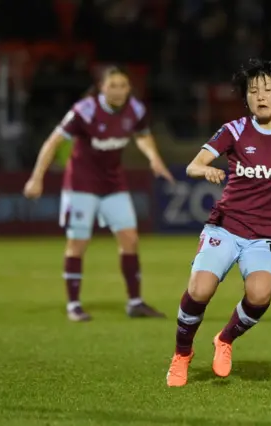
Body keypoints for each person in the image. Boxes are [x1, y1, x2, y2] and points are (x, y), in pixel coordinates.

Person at [166, 58, 271, 387]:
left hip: (267, 235)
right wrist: (207, 169)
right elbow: (192, 166)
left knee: (260, 294)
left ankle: (225, 339)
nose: (260, 96)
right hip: (226, 226)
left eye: (268, 89)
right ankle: (182, 354)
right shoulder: (234, 130)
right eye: (253, 90)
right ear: (246, 98)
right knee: (200, 289)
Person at [23, 66, 175, 322]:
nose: (118, 91)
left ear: (129, 88)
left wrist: (154, 159)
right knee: (78, 243)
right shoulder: (85, 110)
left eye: (123, 86)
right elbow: (53, 142)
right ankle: (74, 305)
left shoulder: (135, 109)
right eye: (112, 86)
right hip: (82, 185)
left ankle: (135, 302)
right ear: (102, 87)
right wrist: (36, 178)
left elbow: (143, 135)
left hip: (113, 183)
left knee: (130, 239)